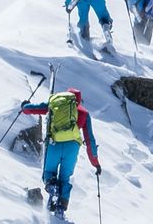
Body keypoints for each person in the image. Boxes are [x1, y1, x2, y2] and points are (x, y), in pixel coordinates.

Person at [21, 87, 100, 215]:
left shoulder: (55, 104)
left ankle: (52, 187)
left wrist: (25, 107)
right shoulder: (84, 113)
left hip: (54, 144)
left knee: (49, 172)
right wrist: (95, 162)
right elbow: (90, 139)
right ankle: (61, 208)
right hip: (72, 147)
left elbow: (36, 108)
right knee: (65, 178)